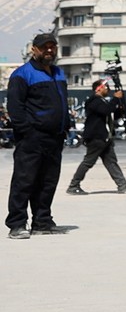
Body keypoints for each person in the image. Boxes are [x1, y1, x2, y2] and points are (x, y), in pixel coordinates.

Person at [7, 33, 70, 238]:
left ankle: (42, 221)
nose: (49, 50)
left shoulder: (59, 73)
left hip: (55, 137)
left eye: (53, 46)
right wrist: (27, 132)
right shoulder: (22, 74)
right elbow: (15, 108)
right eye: (45, 47)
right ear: (34, 49)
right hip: (32, 138)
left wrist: (65, 126)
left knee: (48, 181)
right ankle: (17, 224)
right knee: (24, 181)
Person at [68, 79, 126, 195]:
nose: (108, 89)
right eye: (105, 87)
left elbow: (112, 114)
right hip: (96, 137)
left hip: (105, 138)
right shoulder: (93, 101)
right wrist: (115, 98)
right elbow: (106, 111)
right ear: (98, 88)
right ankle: (74, 185)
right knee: (88, 162)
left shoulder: (103, 102)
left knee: (111, 162)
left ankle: (122, 183)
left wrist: (121, 104)